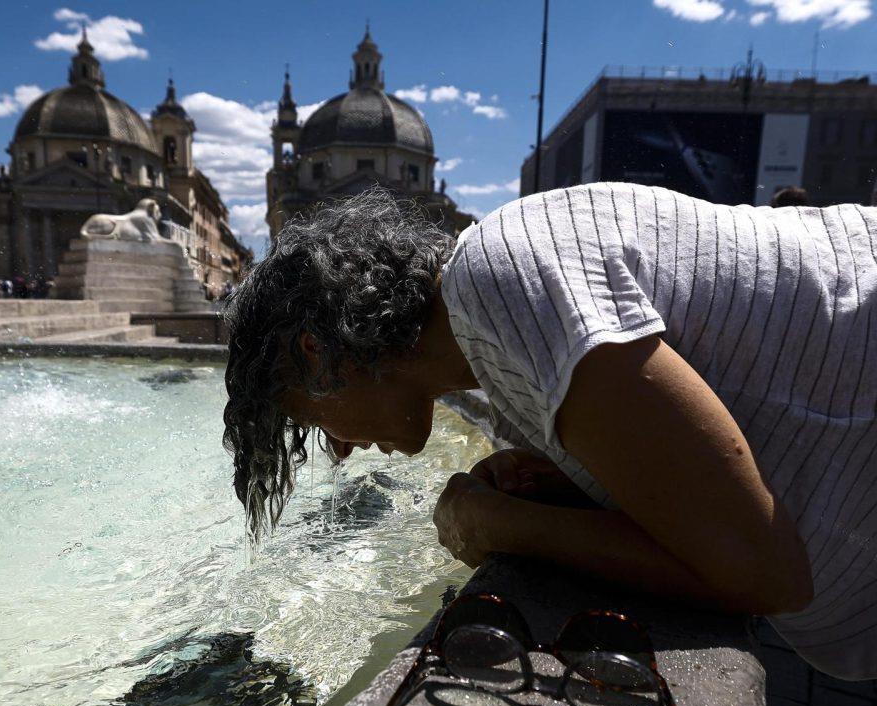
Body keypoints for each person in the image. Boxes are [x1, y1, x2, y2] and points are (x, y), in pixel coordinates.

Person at [222, 184, 877, 679]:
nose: (338, 450)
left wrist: (502, 527)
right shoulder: (502, 352)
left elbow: (769, 576)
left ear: (317, 352)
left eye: (310, 421)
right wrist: (571, 482)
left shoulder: (499, 289)